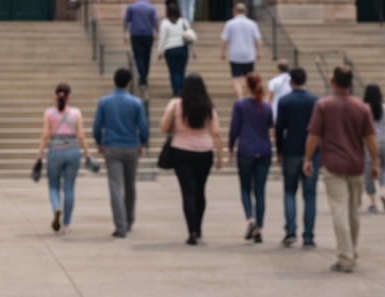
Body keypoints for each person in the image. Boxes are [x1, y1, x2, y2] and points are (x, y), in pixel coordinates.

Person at [304, 66, 377, 273]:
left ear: (333, 81)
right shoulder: (362, 107)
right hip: (356, 164)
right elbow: (370, 138)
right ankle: (351, 251)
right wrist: (376, 162)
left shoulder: (324, 105)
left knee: (339, 210)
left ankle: (346, 257)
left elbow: (313, 135)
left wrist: (307, 158)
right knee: (353, 210)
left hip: (333, 164)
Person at [160, 74, 222, 244]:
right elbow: (215, 132)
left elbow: (164, 126)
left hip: (181, 150)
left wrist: (176, 126)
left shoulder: (175, 104)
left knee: (187, 191)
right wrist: (220, 156)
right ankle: (199, 227)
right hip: (205, 151)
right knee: (200, 190)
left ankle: (192, 231)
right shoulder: (208, 106)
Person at [93, 68, 148, 238]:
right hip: (132, 146)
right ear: (129, 82)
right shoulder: (136, 102)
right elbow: (143, 127)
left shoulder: (104, 102)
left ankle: (121, 225)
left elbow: (97, 126)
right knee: (130, 185)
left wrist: (99, 142)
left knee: (115, 186)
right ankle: (129, 219)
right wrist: (143, 142)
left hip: (112, 146)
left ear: (114, 81)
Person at [229, 71, 275, 242]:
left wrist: (230, 148)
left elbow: (234, 128)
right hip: (264, 150)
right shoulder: (267, 106)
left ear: (247, 85)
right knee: (260, 191)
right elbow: (271, 129)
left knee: (245, 187)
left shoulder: (240, 105)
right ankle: (259, 228)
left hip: (246, 149)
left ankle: (251, 218)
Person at [36, 83, 88, 234]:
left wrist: (39, 152)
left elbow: (45, 134)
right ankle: (66, 224)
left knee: (53, 185)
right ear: (69, 96)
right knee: (69, 188)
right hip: (73, 151)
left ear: (55, 96)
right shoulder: (75, 113)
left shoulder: (49, 113)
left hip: (55, 152)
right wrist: (86, 152)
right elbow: (80, 135)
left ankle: (56, 207)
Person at [275, 67, 318, 248]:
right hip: (312, 152)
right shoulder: (316, 100)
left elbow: (279, 128)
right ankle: (308, 236)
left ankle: (290, 230)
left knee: (290, 191)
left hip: (291, 150)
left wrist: (279, 150)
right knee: (309, 195)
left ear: (291, 81)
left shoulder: (285, 101)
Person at [361, 83, 385, 214]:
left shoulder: (364, 108)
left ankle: (373, 202)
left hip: (369, 141)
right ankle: (384, 191)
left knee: (369, 171)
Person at [219, 2, 262, 99]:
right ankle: (250, 95)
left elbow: (224, 40)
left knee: (236, 78)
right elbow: (258, 41)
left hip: (235, 55)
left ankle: (240, 98)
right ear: (245, 11)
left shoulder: (229, 24)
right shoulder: (252, 23)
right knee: (249, 77)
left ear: (234, 11)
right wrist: (258, 52)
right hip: (249, 55)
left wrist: (223, 52)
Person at [156, 0, 196, 98]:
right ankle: (182, 91)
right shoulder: (184, 21)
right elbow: (189, 33)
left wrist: (160, 51)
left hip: (170, 50)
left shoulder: (165, 23)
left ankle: (176, 92)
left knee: (173, 71)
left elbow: (162, 38)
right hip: (183, 49)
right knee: (181, 71)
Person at [122, 0, 158, 92]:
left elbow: (126, 21)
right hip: (148, 34)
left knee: (138, 56)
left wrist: (125, 33)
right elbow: (155, 21)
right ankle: (144, 77)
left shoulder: (132, 7)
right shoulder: (151, 7)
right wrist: (157, 33)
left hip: (136, 34)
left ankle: (143, 78)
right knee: (147, 57)